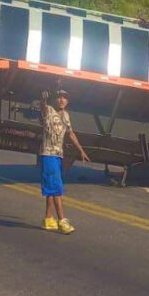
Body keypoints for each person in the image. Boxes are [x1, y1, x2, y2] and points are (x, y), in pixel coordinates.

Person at [39, 89, 89, 234]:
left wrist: (80, 150)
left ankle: (48, 219)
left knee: (51, 187)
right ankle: (62, 220)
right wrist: (43, 100)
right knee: (57, 189)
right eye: (59, 97)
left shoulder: (66, 115)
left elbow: (70, 133)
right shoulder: (48, 110)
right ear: (55, 100)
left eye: (65, 98)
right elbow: (42, 107)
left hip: (58, 155)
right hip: (48, 154)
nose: (62, 100)